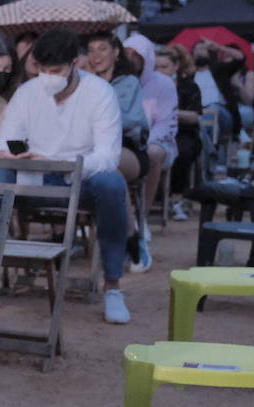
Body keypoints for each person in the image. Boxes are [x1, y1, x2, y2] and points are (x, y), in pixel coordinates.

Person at [0, 28, 132, 324]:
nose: (47, 77)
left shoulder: (100, 94)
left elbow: (108, 157)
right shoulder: (28, 92)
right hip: (33, 176)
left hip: (81, 180)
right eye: (41, 70)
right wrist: (17, 153)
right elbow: (6, 141)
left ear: (74, 65)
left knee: (113, 183)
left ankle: (113, 286)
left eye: (54, 71)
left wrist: (58, 161)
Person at [85, 33, 152, 271]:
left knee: (110, 167)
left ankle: (132, 238)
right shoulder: (82, 81)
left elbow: (134, 120)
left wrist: (100, 117)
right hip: (91, 147)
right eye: (91, 49)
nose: (96, 55)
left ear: (115, 52)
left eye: (102, 48)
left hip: (127, 148)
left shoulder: (128, 82)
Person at [123, 33, 179, 240]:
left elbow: (165, 122)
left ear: (146, 57)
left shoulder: (163, 84)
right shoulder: (119, 82)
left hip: (157, 141)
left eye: (135, 54)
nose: (129, 58)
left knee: (153, 154)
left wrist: (144, 143)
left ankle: (141, 218)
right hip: (125, 142)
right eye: (126, 53)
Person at [155, 45, 203, 220]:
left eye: (164, 67)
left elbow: (194, 116)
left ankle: (176, 199)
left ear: (175, 66)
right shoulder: (149, 86)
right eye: (156, 67)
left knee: (182, 152)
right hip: (157, 132)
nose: (159, 71)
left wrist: (170, 112)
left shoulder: (188, 87)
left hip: (183, 132)